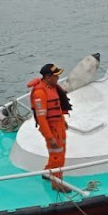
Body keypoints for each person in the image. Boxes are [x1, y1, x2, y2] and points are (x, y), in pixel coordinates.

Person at [28, 64, 72, 192]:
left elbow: (57, 108)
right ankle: (56, 183)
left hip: (58, 127)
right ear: (48, 77)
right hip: (52, 130)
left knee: (58, 153)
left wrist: (63, 121)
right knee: (58, 157)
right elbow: (42, 118)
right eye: (55, 76)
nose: (58, 78)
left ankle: (47, 172)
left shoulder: (51, 88)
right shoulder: (40, 93)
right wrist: (50, 137)